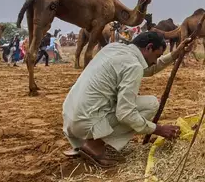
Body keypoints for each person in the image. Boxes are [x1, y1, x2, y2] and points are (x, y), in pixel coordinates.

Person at [62, 31, 184, 168]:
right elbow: (125, 113)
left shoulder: (114, 48)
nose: (155, 61)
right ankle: (95, 145)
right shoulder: (134, 66)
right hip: (86, 123)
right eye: (156, 56)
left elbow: (148, 69)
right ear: (149, 47)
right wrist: (158, 129)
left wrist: (175, 54)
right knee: (151, 104)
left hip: (71, 118)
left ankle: (85, 142)